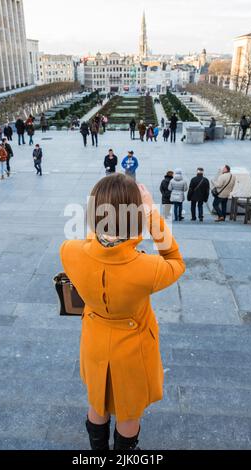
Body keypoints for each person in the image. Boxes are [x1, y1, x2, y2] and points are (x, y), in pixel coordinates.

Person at [60, 174, 186, 450]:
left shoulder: (69, 251)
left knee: (97, 401)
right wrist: (151, 213)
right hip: (132, 349)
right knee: (128, 413)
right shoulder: (148, 269)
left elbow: (94, 242)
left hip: (93, 341)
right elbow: (175, 260)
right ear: (136, 216)